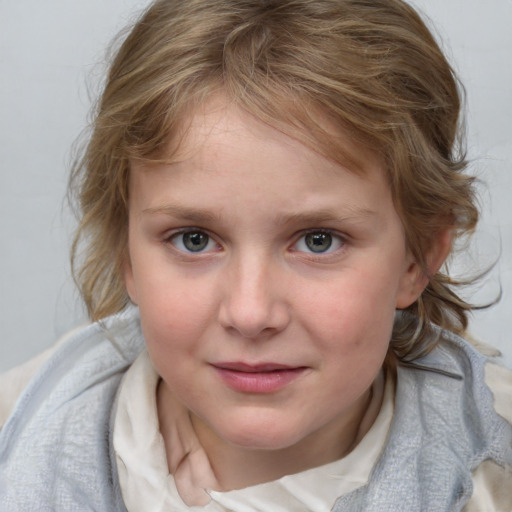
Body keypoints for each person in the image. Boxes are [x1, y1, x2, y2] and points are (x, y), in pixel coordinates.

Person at [0, 0, 511, 510]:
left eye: (318, 240)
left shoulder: (494, 479)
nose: (250, 313)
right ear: (125, 254)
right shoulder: (17, 430)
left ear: (417, 256)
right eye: (194, 239)